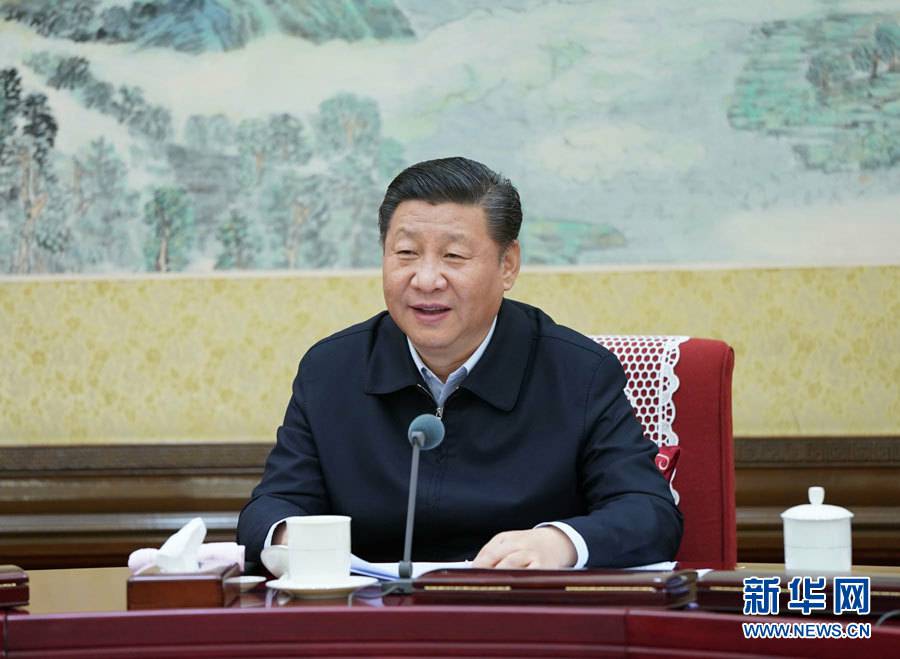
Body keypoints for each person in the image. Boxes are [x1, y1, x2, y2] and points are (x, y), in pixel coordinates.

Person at [237, 157, 682, 569]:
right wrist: (289, 537)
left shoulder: (578, 372)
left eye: (453, 256)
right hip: (373, 615)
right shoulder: (331, 370)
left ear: (508, 265)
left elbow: (649, 512)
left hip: (519, 609)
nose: (427, 279)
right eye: (406, 253)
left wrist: (558, 544)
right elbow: (270, 508)